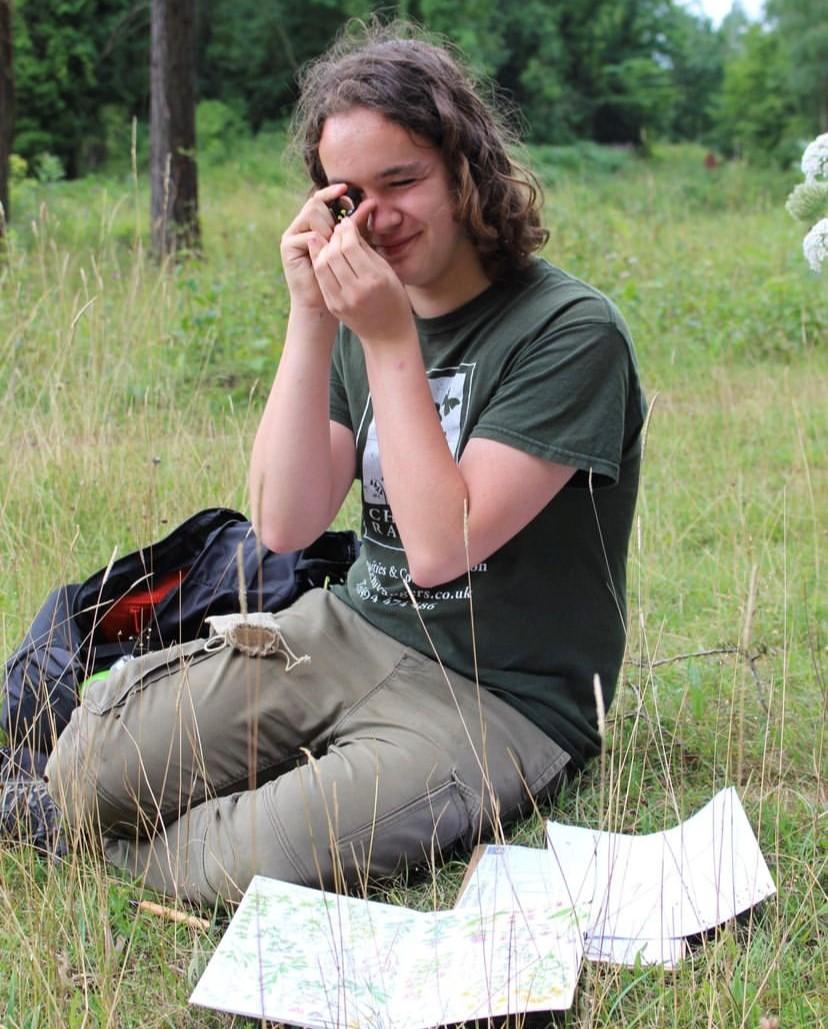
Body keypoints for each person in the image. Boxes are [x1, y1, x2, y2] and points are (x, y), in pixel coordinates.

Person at [5, 23, 646, 907]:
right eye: (349, 194)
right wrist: (311, 316)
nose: (374, 219)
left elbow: (439, 546)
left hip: (500, 694)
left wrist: (389, 337)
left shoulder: (568, 332)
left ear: (466, 173)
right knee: (88, 764)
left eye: (403, 181)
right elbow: (284, 523)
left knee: (243, 862)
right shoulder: (359, 312)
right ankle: (73, 808)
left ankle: (108, 840)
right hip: (353, 627)